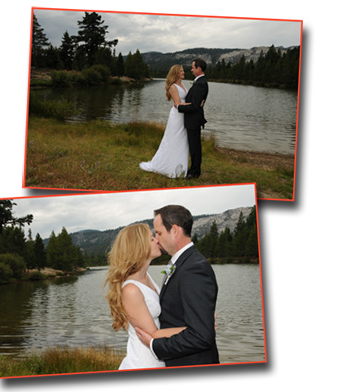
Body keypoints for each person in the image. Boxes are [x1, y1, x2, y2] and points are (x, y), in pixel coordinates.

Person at [135, 205, 220, 367]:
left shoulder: (194, 268)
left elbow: (201, 336)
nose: (156, 239)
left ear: (174, 230)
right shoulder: (182, 263)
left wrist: (154, 344)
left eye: (159, 233)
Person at [104, 223, 186, 370]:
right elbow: (153, 334)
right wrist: (198, 329)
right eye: (151, 238)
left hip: (159, 358)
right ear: (139, 246)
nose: (157, 240)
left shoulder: (146, 277)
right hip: (144, 363)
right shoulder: (131, 290)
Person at [139, 65, 191, 178]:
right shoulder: (173, 87)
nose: (183, 72)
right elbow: (177, 104)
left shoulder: (182, 85)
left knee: (182, 140)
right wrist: (194, 105)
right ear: (176, 73)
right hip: (177, 116)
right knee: (174, 139)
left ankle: (181, 166)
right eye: (181, 71)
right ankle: (169, 166)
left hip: (184, 116)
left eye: (183, 71)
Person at [175, 58, 209, 179]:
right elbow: (195, 103)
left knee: (195, 147)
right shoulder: (199, 82)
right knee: (194, 145)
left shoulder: (201, 84)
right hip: (192, 119)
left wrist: (179, 107)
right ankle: (194, 169)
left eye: (193, 67)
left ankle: (195, 172)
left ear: (199, 69)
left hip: (193, 120)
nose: (191, 69)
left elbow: (194, 106)